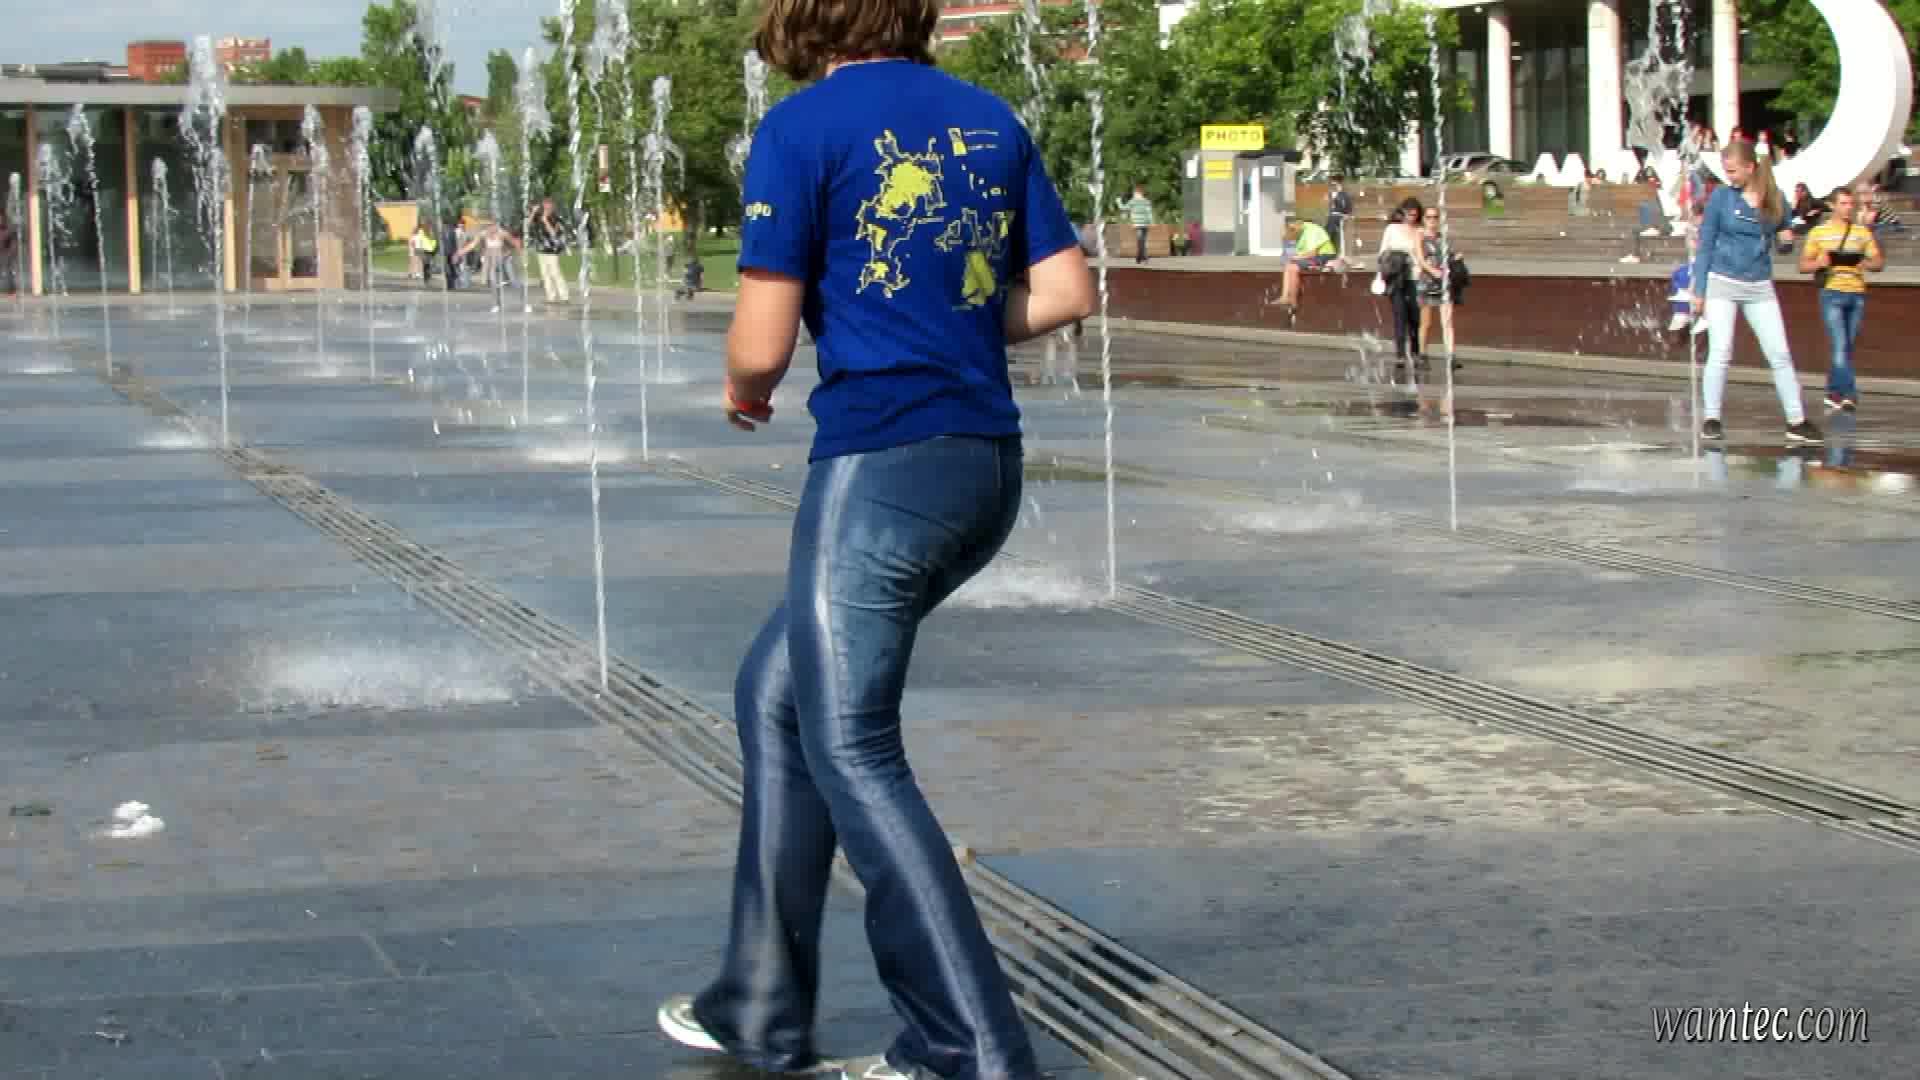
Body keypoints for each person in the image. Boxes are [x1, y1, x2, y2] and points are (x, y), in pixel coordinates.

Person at [652, 0, 1094, 1076]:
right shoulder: (987, 116)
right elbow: (1067, 289)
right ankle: (758, 1003)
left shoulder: (801, 128)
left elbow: (762, 342)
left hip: (881, 468)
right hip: (982, 465)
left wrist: (742, 386)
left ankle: (968, 1048)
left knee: (853, 746)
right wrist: (950, 327)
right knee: (777, 698)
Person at [1690, 137, 1821, 445]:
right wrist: (1699, 289)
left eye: (1732, 171)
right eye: (1726, 170)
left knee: (1780, 353)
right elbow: (1705, 244)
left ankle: (1796, 421)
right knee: (1721, 351)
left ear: (1750, 168)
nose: (1728, 176)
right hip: (1723, 281)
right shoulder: (1721, 197)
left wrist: (1786, 241)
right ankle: (1711, 418)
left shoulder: (1774, 199)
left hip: (1759, 285)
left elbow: (1783, 242)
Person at [1799, 186, 1885, 412]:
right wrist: (1820, 263)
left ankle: (1832, 392)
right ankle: (1849, 394)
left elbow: (1878, 262)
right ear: (1832, 205)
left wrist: (1865, 263)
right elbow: (1803, 265)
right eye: (1843, 204)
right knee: (1839, 345)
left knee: (1846, 347)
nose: (1848, 208)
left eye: (1850, 204)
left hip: (1856, 293)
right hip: (1832, 293)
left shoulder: (1861, 232)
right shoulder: (1819, 232)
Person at [1377, 197, 1433, 374]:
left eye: (1414, 215)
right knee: (1399, 315)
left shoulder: (1420, 231)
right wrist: (1381, 276)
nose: (1411, 217)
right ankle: (1400, 355)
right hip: (1396, 278)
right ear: (1402, 213)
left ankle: (1415, 352)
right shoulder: (1392, 229)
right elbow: (1383, 253)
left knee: (1415, 318)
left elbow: (1428, 253)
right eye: (1408, 214)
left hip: (1416, 278)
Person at [1416, 207, 1459, 368]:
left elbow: (1449, 256)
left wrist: (1456, 258)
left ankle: (1451, 356)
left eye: (1435, 217)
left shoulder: (1443, 238)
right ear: (1424, 219)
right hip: (1427, 283)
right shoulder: (1420, 236)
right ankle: (1422, 355)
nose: (1432, 220)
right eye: (1429, 217)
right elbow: (1420, 259)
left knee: (1447, 322)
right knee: (1426, 323)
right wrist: (1432, 270)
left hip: (1444, 283)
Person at [454, 220, 523, 313]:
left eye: (493, 226)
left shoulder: (502, 233)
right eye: (488, 226)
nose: (491, 229)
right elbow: (472, 245)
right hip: (492, 260)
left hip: (505, 259)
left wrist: (520, 253)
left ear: (496, 225)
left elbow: (515, 242)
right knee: (493, 282)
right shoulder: (483, 234)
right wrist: (459, 253)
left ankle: (525, 302)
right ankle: (496, 305)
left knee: (514, 281)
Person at [1277, 217, 1335, 323]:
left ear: (1299, 223)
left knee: (1293, 267)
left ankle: (1293, 303)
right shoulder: (1300, 232)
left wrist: (1296, 258)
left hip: (1323, 255)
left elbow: (1312, 253)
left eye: (1292, 229)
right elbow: (1295, 249)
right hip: (1312, 257)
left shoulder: (1311, 230)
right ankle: (1285, 297)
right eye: (1290, 229)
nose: (1292, 231)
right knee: (1289, 266)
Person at [530, 197, 571, 304]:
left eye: (549, 205)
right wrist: (533, 212)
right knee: (545, 274)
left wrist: (545, 221)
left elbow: (554, 233)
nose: (546, 207)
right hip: (541, 249)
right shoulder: (538, 216)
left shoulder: (555, 218)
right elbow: (529, 225)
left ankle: (564, 296)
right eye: (545, 205)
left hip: (552, 250)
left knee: (555, 273)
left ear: (552, 206)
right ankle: (550, 297)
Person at [1325, 175, 1352, 256]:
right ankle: (1330, 252)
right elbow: (1330, 207)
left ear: (1340, 184)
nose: (1333, 186)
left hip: (1339, 217)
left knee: (1332, 232)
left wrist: (1346, 215)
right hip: (1332, 218)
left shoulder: (1344, 195)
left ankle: (1334, 252)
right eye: (1332, 185)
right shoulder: (1330, 194)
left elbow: (1347, 208)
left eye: (1335, 184)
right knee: (1330, 232)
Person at [1126, 182, 1153, 263]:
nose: (1134, 194)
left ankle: (1139, 257)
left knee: (1141, 240)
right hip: (1142, 224)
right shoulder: (1145, 201)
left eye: (1135, 193)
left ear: (1138, 193)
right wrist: (1151, 221)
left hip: (1139, 224)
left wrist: (1118, 202)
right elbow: (1149, 212)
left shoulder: (1134, 201)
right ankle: (1143, 257)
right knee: (1141, 240)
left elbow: (1124, 208)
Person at [409, 222, 436, 287]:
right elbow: (413, 242)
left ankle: (418, 273)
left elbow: (420, 241)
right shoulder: (418, 234)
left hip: (421, 249)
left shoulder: (420, 234)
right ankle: (416, 273)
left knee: (419, 262)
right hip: (419, 249)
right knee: (417, 262)